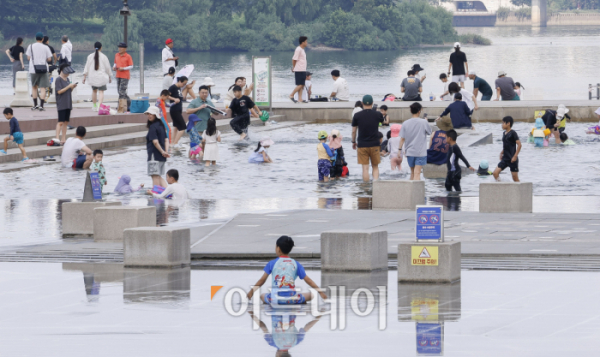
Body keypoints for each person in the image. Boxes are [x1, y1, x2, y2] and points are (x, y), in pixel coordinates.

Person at [246, 235, 328, 304]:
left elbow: (262, 280)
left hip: (275, 299)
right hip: (291, 299)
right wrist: (320, 292)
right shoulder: (296, 264)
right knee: (311, 295)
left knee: (262, 295)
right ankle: (298, 301)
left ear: (278, 248)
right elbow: (308, 280)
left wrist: (251, 292)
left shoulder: (272, 263)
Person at [351, 95, 384, 182]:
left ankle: (365, 189)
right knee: (375, 166)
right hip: (375, 144)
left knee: (365, 168)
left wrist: (353, 141)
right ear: (372, 103)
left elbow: (354, 131)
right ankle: (375, 185)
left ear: (362, 103)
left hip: (362, 145)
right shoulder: (377, 114)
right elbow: (382, 121)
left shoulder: (357, 115)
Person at [398, 102, 432, 180]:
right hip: (420, 152)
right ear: (419, 111)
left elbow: (402, 138)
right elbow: (430, 132)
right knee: (417, 173)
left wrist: (399, 150)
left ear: (411, 111)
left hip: (410, 151)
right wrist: (426, 121)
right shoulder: (423, 122)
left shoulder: (405, 123)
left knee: (412, 173)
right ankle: (416, 192)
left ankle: (410, 191)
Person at [26, 32, 53, 111]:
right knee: (43, 88)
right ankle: (41, 105)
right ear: (42, 39)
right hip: (43, 69)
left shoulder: (30, 46)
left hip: (33, 69)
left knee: (34, 87)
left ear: (35, 38)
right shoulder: (45, 47)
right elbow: (49, 59)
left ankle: (35, 105)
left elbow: (28, 58)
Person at [82, 42, 112, 112]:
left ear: (94, 47)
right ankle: (99, 106)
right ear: (101, 47)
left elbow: (86, 67)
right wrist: (110, 76)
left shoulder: (90, 56)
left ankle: (94, 106)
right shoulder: (104, 57)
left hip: (93, 77)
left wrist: (84, 77)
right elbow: (108, 68)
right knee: (101, 91)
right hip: (102, 77)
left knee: (94, 91)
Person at [145, 106, 170, 188]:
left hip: (154, 155)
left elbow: (155, 142)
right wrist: (165, 151)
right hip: (162, 156)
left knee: (154, 176)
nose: (149, 115)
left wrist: (163, 152)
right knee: (158, 176)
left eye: (151, 114)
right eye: (148, 113)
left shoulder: (153, 127)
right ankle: (168, 191)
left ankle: (156, 195)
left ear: (156, 115)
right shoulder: (161, 126)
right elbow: (166, 140)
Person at [493, 116, 521, 182]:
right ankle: (502, 186)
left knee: (515, 178)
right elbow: (506, 145)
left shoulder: (513, 133)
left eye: (503, 123)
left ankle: (521, 190)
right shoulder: (504, 133)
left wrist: (515, 156)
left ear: (508, 123)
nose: (502, 125)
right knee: (495, 173)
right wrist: (501, 152)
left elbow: (519, 144)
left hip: (512, 159)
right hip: (505, 158)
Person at [55, 63, 77, 144]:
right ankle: (57, 138)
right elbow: (59, 91)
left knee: (66, 122)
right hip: (61, 103)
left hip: (68, 103)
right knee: (60, 122)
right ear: (62, 71)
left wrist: (72, 88)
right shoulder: (58, 79)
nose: (67, 74)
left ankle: (63, 138)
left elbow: (68, 91)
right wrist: (68, 86)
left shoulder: (67, 80)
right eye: (66, 72)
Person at [113, 42, 133, 111]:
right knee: (119, 91)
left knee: (122, 91)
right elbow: (115, 63)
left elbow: (131, 66)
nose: (120, 49)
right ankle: (129, 103)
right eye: (119, 47)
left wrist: (123, 68)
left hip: (125, 76)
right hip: (118, 75)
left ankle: (121, 105)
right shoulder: (117, 55)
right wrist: (114, 67)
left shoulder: (128, 56)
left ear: (125, 48)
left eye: (121, 47)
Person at [168, 76, 187, 146]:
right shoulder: (173, 87)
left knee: (175, 126)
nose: (184, 85)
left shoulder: (179, 88)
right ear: (180, 81)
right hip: (174, 109)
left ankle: (172, 143)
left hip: (178, 110)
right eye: (184, 83)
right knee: (183, 127)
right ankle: (175, 142)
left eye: (185, 84)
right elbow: (166, 95)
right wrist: (174, 99)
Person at [289, 36, 308, 103]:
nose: (307, 43)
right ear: (302, 42)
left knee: (301, 84)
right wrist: (294, 67)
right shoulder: (298, 49)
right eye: (306, 41)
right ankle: (291, 95)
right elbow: (294, 59)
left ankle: (300, 99)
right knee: (301, 84)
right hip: (299, 69)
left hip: (302, 69)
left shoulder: (302, 49)